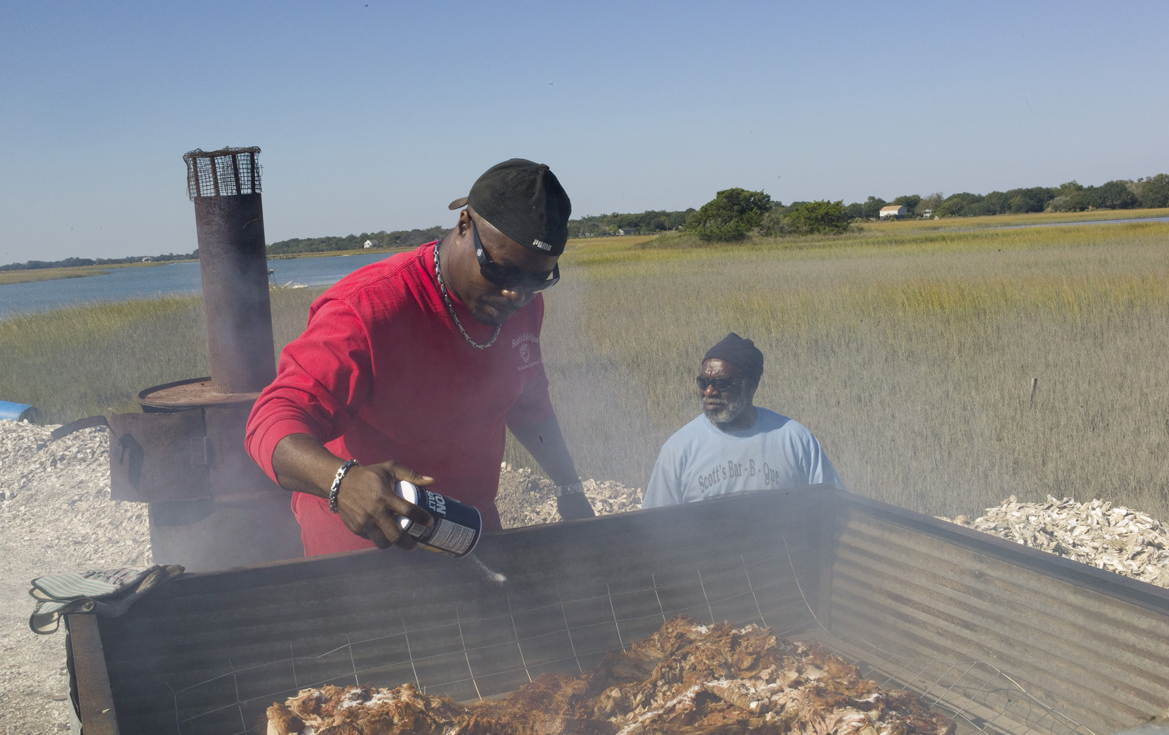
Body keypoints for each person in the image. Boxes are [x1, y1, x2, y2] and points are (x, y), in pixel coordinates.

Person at [245, 158, 594, 556]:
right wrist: (341, 482)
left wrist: (569, 487)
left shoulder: (521, 306)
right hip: (366, 548)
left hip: (468, 532)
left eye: (538, 280)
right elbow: (271, 417)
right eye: (502, 270)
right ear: (464, 225)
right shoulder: (367, 308)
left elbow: (530, 403)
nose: (517, 294)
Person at [642, 333, 843, 507]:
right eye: (703, 382)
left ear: (751, 386)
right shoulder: (678, 449)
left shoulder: (796, 440)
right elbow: (655, 529)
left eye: (722, 383)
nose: (709, 391)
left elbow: (835, 507)